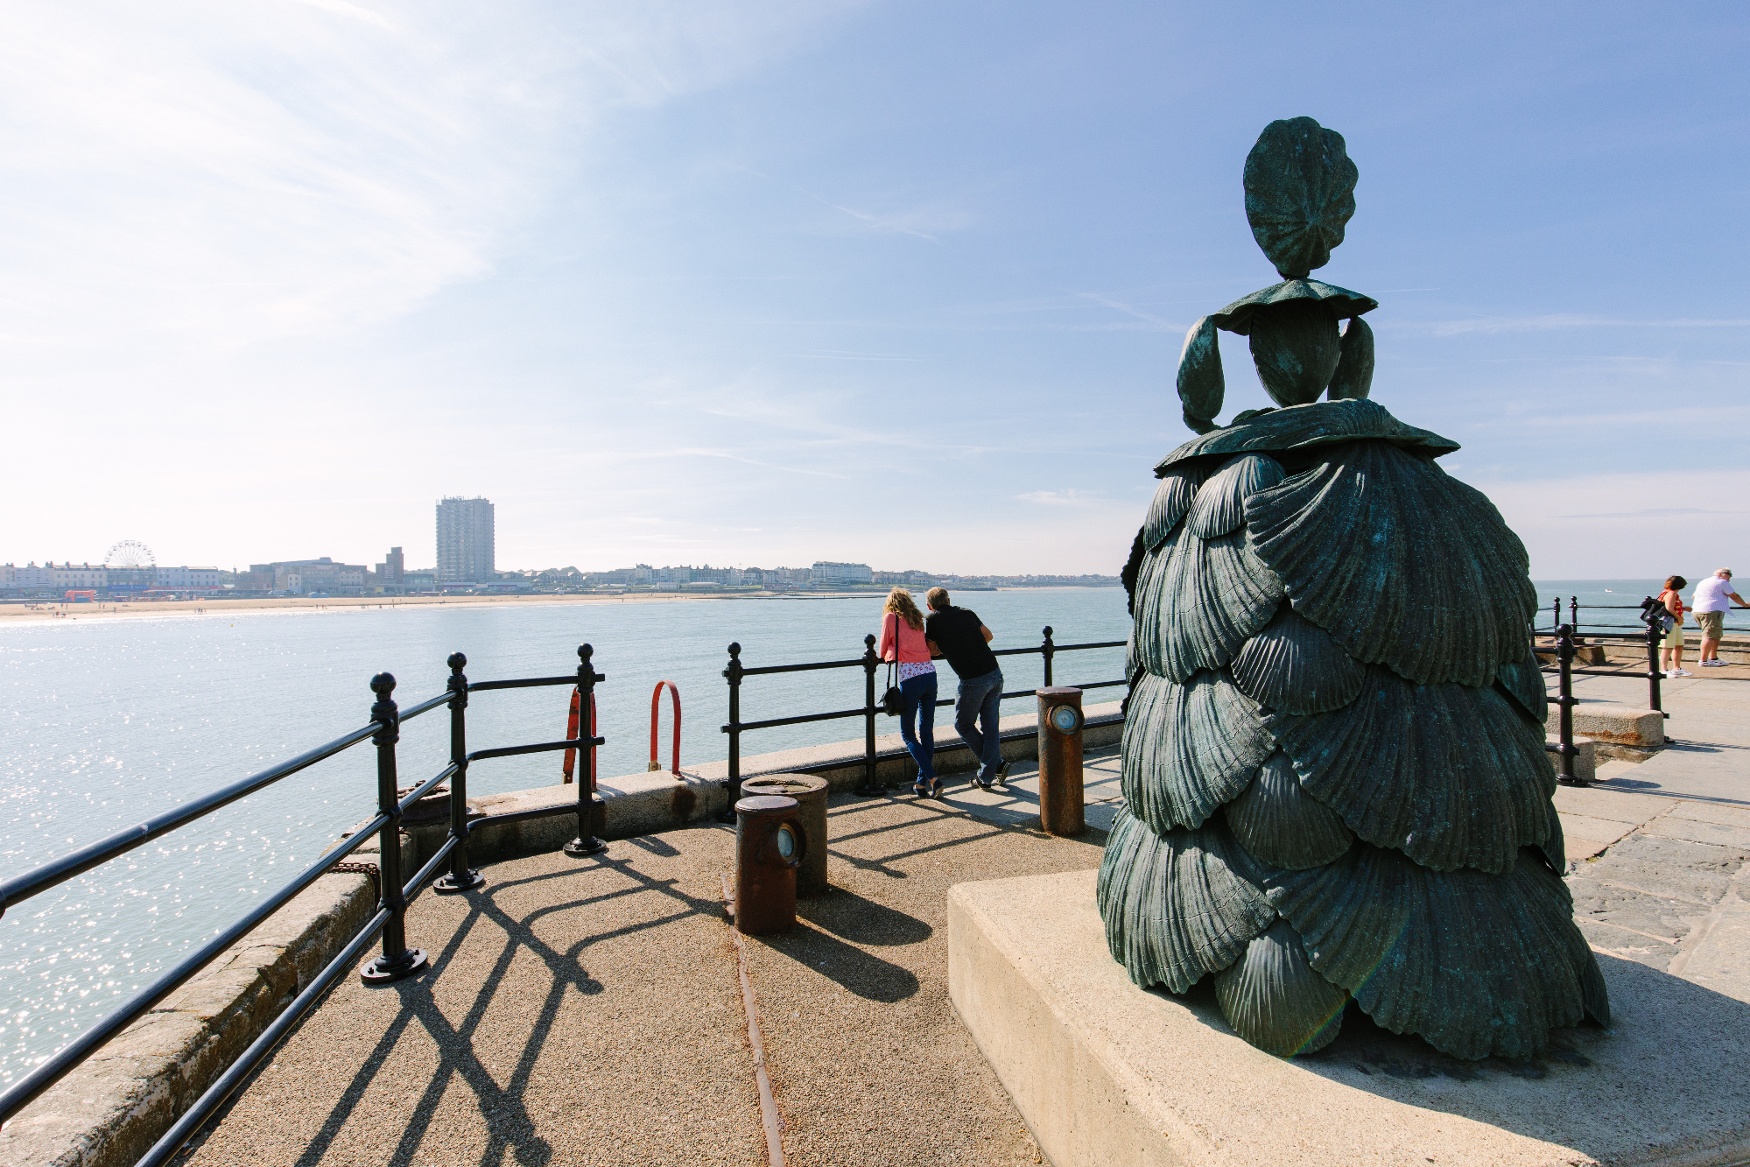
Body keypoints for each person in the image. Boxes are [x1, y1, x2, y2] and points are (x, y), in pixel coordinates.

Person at [923, 587, 1009, 790]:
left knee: (963, 725)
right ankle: (990, 771)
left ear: (929, 606)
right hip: (994, 673)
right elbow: (988, 635)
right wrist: (969, 644)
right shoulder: (967, 613)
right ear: (949, 600)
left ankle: (994, 767)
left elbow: (933, 651)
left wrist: (953, 647)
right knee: (990, 727)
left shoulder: (933, 620)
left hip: (972, 679)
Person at [879, 588, 939, 798]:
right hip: (930, 675)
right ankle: (921, 785)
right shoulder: (917, 618)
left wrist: (890, 652)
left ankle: (933, 778)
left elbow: (882, 649)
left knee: (908, 734)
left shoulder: (890, 618)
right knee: (926, 731)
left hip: (911, 678)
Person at [1692, 568, 1748, 667]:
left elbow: (1694, 596)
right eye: (1729, 576)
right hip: (1711, 611)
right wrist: (1744, 604)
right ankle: (1703, 660)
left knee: (1714, 634)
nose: (1729, 579)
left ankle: (1713, 658)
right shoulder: (1722, 582)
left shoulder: (1703, 582)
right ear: (1722, 574)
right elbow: (1734, 596)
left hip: (1697, 610)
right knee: (1709, 636)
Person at [1658, 575, 1689, 677]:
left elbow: (1670, 607)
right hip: (1670, 622)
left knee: (1678, 645)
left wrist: (1683, 609)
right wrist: (1679, 618)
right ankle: (1663, 669)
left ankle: (1676, 668)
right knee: (1667, 646)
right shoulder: (1671, 594)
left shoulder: (1667, 593)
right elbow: (1669, 608)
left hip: (1674, 623)